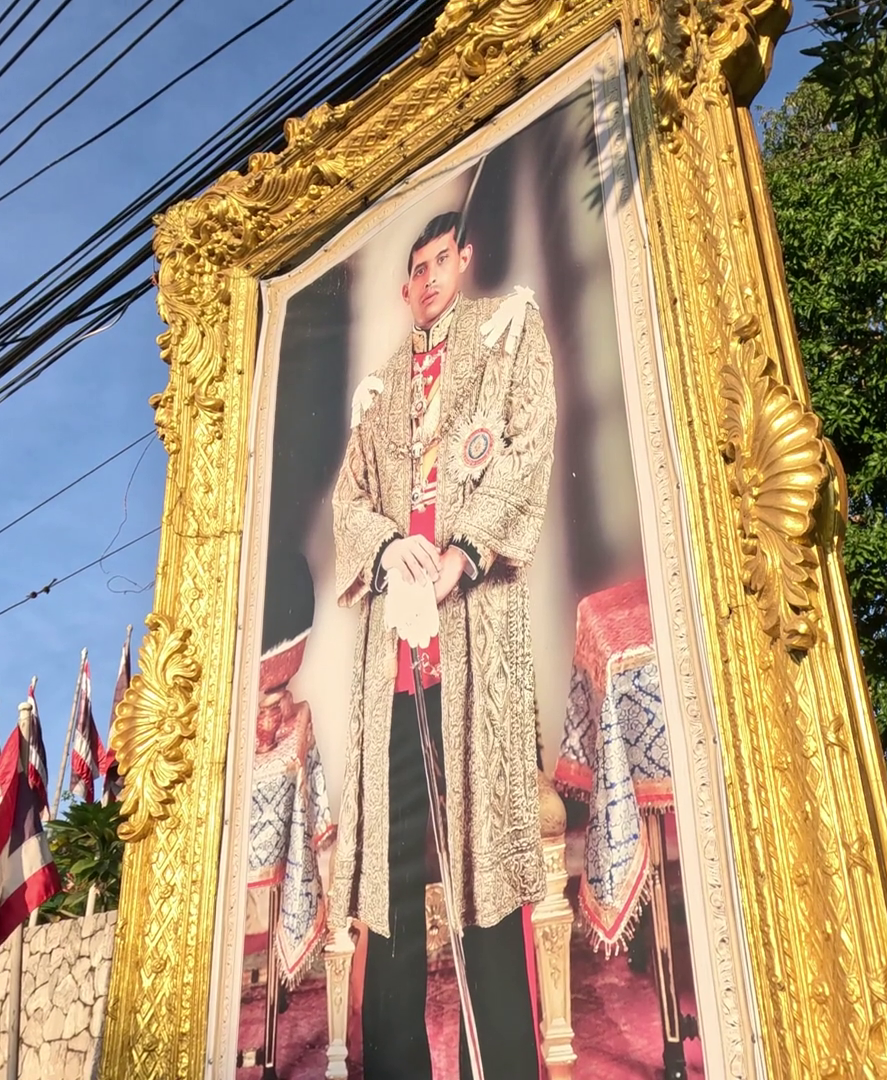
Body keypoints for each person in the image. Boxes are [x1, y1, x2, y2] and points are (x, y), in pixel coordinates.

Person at [328, 209, 556, 1079]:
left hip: (473, 645)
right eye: (415, 269)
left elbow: (530, 442)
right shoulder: (382, 388)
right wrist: (389, 546)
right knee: (389, 890)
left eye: (439, 261)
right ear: (404, 287)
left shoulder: (507, 332)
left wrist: (464, 551)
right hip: (394, 666)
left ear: (465, 259)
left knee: (483, 875)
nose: (427, 279)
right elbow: (349, 501)